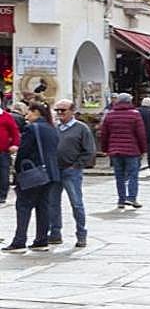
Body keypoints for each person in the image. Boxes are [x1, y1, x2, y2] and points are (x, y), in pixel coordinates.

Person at [3, 103, 60, 253]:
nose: (26, 116)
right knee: (43, 207)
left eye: (29, 112)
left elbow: (23, 151)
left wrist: (17, 170)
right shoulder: (52, 128)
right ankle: (41, 240)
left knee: (23, 206)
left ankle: (19, 241)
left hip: (33, 174)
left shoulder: (32, 128)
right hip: (50, 173)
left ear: (36, 112)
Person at [47, 99, 98, 249]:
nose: (59, 113)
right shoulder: (54, 127)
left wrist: (76, 165)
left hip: (71, 171)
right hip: (55, 171)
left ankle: (81, 234)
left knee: (76, 203)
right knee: (52, 203)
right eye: (57, 110)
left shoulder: (81, 128)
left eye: (63, 110)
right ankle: (55, 233)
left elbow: (89, 150)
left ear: (72, 111)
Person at [101, 93, 148, 210]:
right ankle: (132, 197)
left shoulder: (110, 114)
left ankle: (121, 200)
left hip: (115, 150)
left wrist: (105, 149)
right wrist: (143, 149)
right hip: (132, 150)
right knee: (133, 175)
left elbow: (104, 134)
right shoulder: (135, 114)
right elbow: (141, 134)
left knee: (119, 176)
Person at [0, 98, 17, 206]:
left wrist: (15, 144)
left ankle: (2, 196)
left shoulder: (6, 116)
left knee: (3, 173)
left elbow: (14, 131)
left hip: (3, 151)